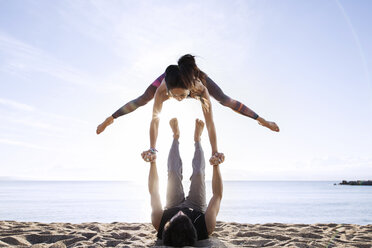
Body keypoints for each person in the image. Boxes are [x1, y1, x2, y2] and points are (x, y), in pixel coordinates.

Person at [97, 54, 279, 162]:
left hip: (192, 78)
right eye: (173, 95)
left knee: (224, 99)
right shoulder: (162, 91)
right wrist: (152, 149)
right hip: (171, 77)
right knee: (144, 98)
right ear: (167, 90)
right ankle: (110, 119)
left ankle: (262, 120)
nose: (177, 99)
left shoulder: (200, 89)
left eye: (182, 96)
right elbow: (155, 121)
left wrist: (215, 151)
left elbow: (210, 124)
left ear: (190, 91)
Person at [142, 118, 224, 247]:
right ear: (193, 227)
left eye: (176, 216)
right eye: (184, 216)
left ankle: (175, 136)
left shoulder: (159, 222)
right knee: (198, 174)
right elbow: (217, 195)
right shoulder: (206, 226)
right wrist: (216, 165)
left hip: (172, 205)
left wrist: (152, 162)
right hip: (196, 207)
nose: (181, 211)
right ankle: (197, 140)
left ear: (167, 225)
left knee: (173, 172)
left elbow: (154, 192)